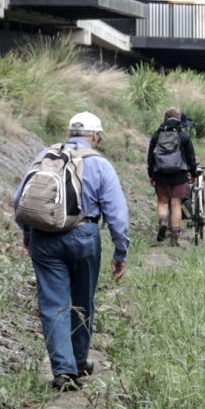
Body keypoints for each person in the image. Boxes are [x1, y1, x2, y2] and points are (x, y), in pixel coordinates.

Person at [14, 112, 129, 392]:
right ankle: (78, 361)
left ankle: (62, 370)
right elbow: (117, 213)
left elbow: (21, 199)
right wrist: (120, 250)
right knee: (82, 300)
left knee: (53, 304)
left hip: (44, 237)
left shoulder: (45, 155)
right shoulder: (100, 164)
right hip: (83, 236)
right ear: (95, 136)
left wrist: (28, 234)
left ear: (70, 132)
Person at [147, 107, 198, 247]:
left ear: (165, 117)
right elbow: (190, 157)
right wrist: (194, 174)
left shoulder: (157, 135)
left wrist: (151, 174)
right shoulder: (183, 136)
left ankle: (163, 221)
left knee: (162, 202)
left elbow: (151, 157)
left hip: (160, 174)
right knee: (176, 204)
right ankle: (174, 239)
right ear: (179, 118)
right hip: (179, 175)